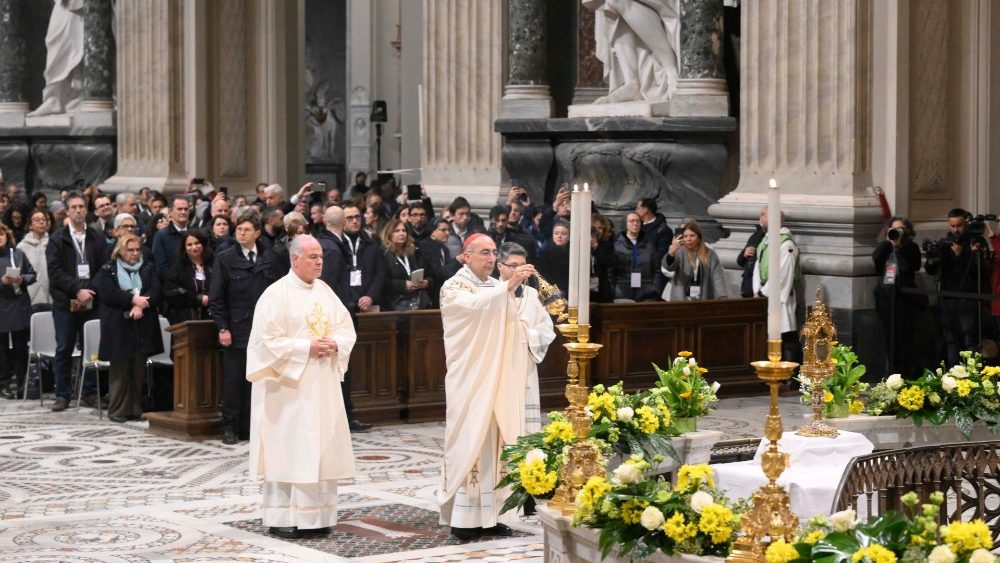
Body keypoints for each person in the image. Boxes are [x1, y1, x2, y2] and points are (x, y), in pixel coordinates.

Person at [246, 234, 356, 540]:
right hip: (288, 389)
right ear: (295, 259)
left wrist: (335, 343)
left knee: (320, 448)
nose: (319, 262)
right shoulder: (275, 294)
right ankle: (284, 517)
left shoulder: (325, 291)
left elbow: (346, 329)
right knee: (290, 450)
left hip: (321, 385)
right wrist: (305, 346)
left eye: (321, 257)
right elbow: (265, 343)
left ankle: (317, 516)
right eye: (313, 257)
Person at [438, 233, 536, 540]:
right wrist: (508, 287)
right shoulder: (454, 286)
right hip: (471, 379)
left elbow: (512, 324)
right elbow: (470, 309)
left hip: (497, 379)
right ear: (466, 256)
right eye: (484, 252)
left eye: (494, 252)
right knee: (471, 440)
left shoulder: (495, 286)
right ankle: (464, 520)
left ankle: (492, 516)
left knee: (497, 445)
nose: (491, 258)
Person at [209, 215, 270, 444]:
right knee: (233, 381)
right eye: (239, 229)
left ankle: (251, 426)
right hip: (237, 327)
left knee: (257, 380)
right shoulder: (225, 258)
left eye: (247, 230)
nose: (241, 233)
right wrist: (223, 327)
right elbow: (217, 297)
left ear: (257, 234)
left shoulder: (267, 257)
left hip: (262, 329)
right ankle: (230, 427)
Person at [46, 192, 108, 411]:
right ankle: (62, 394)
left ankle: (89, 391)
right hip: (66, 302)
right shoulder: (57, 238)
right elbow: (55, 272)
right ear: (67, 210)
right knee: (64, 348)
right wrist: (78, 289)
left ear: (86, 208)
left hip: (91, 301)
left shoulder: (97, 237)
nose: (79, 210)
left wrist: (89, 290)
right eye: (74, 207)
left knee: (91, 348)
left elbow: (104, 267)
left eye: (82, 206)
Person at [94, 234, 163, 423]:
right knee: (120, 369)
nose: (134, 254)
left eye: (137, 250)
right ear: (120, 251)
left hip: (142, 324)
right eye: (130, 250)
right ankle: (117, 410)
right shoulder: (108, 270)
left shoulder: (147, 267)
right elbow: (108, 293)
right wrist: (132, 300)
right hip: (118, 326)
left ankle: (135, 408)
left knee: (138, 368)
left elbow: (155, 290)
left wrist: (141, 305)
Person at [495, 242, 555, 432]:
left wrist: (526, 335)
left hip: (525, 361)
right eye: (514, 266)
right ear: (500, 266)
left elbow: (546, 329)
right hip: (498, 364)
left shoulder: (532, 294)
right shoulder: (490, 292)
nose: (519, 270)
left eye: (523, 265)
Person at [925, 208, 989, 366]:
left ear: (965, 223)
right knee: (951, 340)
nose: (955, 230)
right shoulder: (945, 243)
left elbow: (980, 272)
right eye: (952, 226)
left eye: (959, 225)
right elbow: (932, 270)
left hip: (968, 299)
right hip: (948, 299)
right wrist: (932, 259)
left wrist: (962, 256)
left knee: (969, 341)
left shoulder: (975, 242)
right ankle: (953, 377)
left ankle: (972, 378)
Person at [873, 216, 923, 378]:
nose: (897, 232)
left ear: (907, 231)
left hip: (904, 300)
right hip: (886, 298)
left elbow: (909, 267)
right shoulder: (886, 247)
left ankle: (908, 374)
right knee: (889, 338)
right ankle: (891, 374)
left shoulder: (911, 248)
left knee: (905, 339)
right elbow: (876, 261)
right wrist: (888, 243)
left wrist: (899, 247)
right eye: (894, 229)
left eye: (900, 229)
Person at [752, 207, 802, 363]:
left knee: (786, 336)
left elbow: (783, 273)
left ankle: (792, 377)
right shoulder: (765, 240)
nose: (760, 217)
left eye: (764, 214)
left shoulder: (786, 243)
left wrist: (764, 292)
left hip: (779, 298)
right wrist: (757, 290)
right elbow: (758, 266)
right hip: (765, 295)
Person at [0, 224, 35, 400]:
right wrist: (2, 281)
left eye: (0, 234)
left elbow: (32, 274)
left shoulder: (18, 254)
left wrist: (22, 279)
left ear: (6, 235)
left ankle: (23, 383)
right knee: (2, 350)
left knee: (21, 348)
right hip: (2, 307)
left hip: (19, 305)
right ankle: (4, 384)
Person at [662, 220, 727, 301]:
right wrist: (671, 254)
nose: (688, 239)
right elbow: (668, 268)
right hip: (681, 299)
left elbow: (717, 278)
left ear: (699, 237)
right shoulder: (679, 251)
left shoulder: (710, 253)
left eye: (692, 236)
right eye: (685, 236)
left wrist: (722, 297)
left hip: (703, 298)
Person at [380, 218, 432, 310]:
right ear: (389, 234)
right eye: (397, 231)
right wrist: (403, 285)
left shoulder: (414, 252)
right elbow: (382, 280)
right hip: (394, 303)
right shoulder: (383, 254)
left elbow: (429, 273)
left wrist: (426, 282)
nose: (402, 234)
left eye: (404, 231)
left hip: (418, 301)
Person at [163, 231, 213, 324]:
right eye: (189, 244)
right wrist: (198, 299)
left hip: (212, 316)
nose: (194, 247)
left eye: (197, 243)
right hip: (185, 319)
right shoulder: (177, 268)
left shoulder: (213, 264)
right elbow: (172, 294)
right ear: (184, 248)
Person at [611, 212, 659, 301]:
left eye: (638, 221)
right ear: (625, 224)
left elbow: (657, 270)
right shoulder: (616, 246)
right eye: (632, 221)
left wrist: (655, 288)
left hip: (647, 293)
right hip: (622, 293)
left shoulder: (649, 246)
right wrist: (613, 290)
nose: (635, 224)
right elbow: (611, 272)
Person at [18, 209, 52, 311]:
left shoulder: (54, 244)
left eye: (43, 220)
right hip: (30, 298)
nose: (41, 222)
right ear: (30, 225)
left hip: (52, 297)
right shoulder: (21, 247)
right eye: (37, 220)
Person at [152, 196, 191, 274]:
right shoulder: (161, 236)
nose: (183, 212)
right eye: (179, 209)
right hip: (173, 284)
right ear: (170, 212)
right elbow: (161, 267)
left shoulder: (196, 233)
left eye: (186, 209)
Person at [537, 221, 571, 298]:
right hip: (551, 290)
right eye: (556, 233)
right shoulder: (545, 251)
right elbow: (543, 274)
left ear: (569, 236)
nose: (559, 236)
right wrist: (554, 288)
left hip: (570, 289)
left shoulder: (573, 252)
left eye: (563, 234)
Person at [737, 212, 766, 298]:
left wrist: (759, 292)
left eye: (763, 216)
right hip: (748, 286)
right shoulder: (754, 236)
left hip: (762, 288)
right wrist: (744, 254)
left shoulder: (775, 237)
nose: (760, 219)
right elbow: (740, 261)